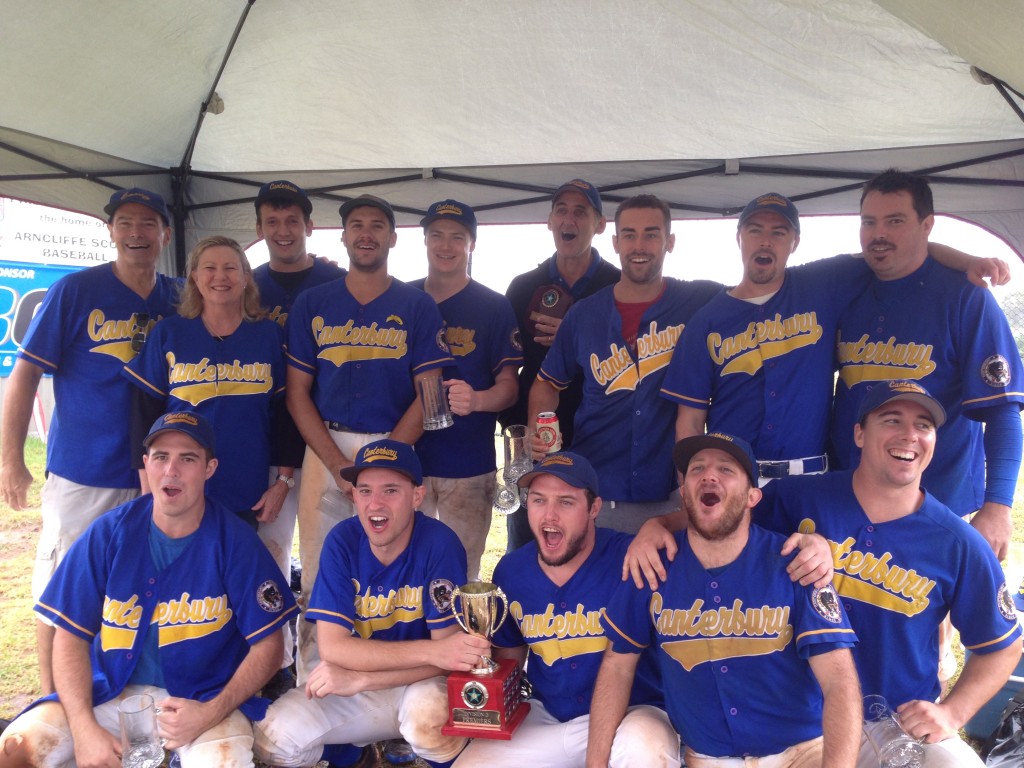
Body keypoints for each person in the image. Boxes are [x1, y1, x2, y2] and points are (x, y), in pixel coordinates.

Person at [0, 411, 297, 767]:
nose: (171, 470)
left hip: (203, 699)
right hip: (110, 693)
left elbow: (268, 644)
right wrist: (83, 728)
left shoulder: (236, 542)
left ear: (210, 468)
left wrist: (211, 711)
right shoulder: (108, 533)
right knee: (16, 750)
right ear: (146, 463)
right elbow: (70, 635)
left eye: (187, 458)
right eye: (160, 457)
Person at [661, 191, 1012, 486]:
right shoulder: (708, 321)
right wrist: (690, 490)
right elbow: (689, 421)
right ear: (740, 237)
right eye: (755, 230)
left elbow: (901, 248)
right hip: (734, 479)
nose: (766, 240)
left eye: (780, 232)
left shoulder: (821, 283)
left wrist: (969, 262)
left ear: (794, 242)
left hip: (813, 478)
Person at [761, 381, 1023, 767]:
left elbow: (1003, 646)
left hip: (890, 727)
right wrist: (658, 526)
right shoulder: (796, 498)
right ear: (859, 433)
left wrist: (952, 713)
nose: (909, 435)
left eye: (924, 425)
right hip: (790, 718)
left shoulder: (956, 542)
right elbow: (721, 530)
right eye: (892, 419)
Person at [0, 187, 181, 695]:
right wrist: (10, 459)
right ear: (111, 231)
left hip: (159, 475)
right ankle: (50, 701)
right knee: (64, 590)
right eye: (125, 222)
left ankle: (122, 690)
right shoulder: (76, 291)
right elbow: (25, 373)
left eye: (148, 224)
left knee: (137, 587)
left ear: (165, 234)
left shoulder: (178, 295)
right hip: (86, 471)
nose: (136, 233)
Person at [589, 433, 862, 768]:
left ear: (752, 497)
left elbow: (839, 680)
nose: (709, 475)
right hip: (709, 757)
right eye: (697, 469)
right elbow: (617, 667)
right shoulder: (654, 564)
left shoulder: (796, 562)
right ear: (685, 493)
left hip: (801, 751)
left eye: (726, 469)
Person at [285, 193, 453, 681]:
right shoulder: (313, 302)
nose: (366, 234)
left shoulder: (416, 304)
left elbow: (429, 392)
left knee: (397, 564)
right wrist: (338, 465)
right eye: (356, 225)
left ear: (392, 238)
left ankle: (403, 692)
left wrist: (387, 458)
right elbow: (297, 394)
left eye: (377, 225)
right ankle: (315, 689)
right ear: (342, 236)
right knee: (320, 574)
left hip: (395, 443)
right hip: (326, 446)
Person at [252, 439, 490, 768]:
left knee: (428, 717)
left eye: (390, 490)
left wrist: (366, 678)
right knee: (272, 739)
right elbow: (334, 648)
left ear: (417, 496)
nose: (375, 504)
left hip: (419, 683)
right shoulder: (343, 540)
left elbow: (449, 657)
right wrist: (430, 653)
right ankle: (356, 757)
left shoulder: (439, 542)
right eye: (365, 491)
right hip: (357, 681)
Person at [831, 169, 1024, 560]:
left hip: (938, 503)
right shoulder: (845, 286)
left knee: (929, 616)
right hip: (847, 498)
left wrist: (998, 506)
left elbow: (1003, 409)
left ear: (927, 225)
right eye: (869, 222)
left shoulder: (966, 298)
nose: (878, 233)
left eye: (895, 221)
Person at [452, 451, 678, 767]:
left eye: (566, 502)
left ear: (594, 508)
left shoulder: (633, 557)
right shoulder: (511, 571)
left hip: (633, 714)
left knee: (646, 747)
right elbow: (510, 658)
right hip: (550, 715)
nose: (549, 516)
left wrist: (661, 522)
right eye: (539, 500)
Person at [528, 194, 720, 532]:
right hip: (598, 492)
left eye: (651, 233)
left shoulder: (698, 302)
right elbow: (546, 383)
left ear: (669, 241)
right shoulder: (584, 314)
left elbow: (755, 294)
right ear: (616, 243)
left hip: (670, 495)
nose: (639, 245)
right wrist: (540, 427)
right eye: (629, 234)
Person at [123, 236, 289, 531]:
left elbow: (284, 416)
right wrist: (148, 487)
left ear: (246, 277)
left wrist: (283, 482)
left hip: (246, 486)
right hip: (177, 485)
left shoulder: (267, 335)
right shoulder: (169, 333)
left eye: (230, 268)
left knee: (237, 573)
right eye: (209, 267)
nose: (220, 276)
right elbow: (143, 413)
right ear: (195, 278)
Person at [252, 179, 345, 691]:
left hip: (321, 441)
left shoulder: (336, 280)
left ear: (310, 227)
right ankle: (275, 665)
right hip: (258, 443)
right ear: (260, 228)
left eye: (293, 221)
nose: (283, 231)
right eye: (272, 221)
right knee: (263, 561)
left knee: (323, 562)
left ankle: (323, 665)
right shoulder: (244, 285)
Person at [501, 179, 620, 550]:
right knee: (529, 541)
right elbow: (507, 368)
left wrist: (575, 338)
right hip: (537, 440)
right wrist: (520, 433)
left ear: (599, 224)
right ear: (550, 221)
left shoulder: (618, 285)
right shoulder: (522, 287)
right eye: (562, 211)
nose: (570, 219)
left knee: (596, 543)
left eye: (581, 211)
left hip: (601, 434)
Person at [409, 199, 522, 579]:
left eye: (457, 236)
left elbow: (510, 387)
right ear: (424, 240)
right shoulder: (402, 299)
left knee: (461, 575)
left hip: (468, 464)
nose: (446, 245)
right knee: (407, 572)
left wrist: (476, 400)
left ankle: (461, 639)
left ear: (472, 244)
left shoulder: (493, 306)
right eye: (437, 235)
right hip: (408, 463)